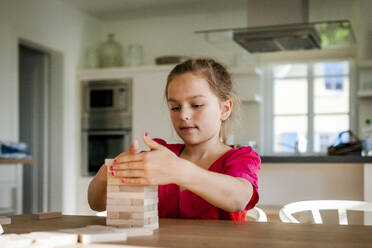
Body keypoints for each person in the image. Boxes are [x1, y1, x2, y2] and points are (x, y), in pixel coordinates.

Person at [88, 57, 260, 221]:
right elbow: (96, 204)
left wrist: (180, 171)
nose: (184, 115)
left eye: (197, 105)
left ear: (224, 109)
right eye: (175, 107)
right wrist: (109, 171)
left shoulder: (241, 158)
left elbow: (238, 199)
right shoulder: (161, 155)